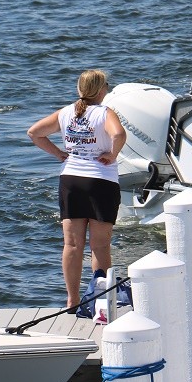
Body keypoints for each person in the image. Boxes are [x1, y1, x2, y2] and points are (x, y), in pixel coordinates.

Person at [27, 70, 127, 312]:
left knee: (72, 245)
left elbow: (34, 133)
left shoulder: (66, 112)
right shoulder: (104, 112)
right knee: (99, 246)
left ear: (80, 89)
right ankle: (100, 300)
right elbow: (119, 134)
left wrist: (58, 153)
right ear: (101, 90)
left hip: (71, 180)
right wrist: (112, 154)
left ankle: (72, 300)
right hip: (100, 182)